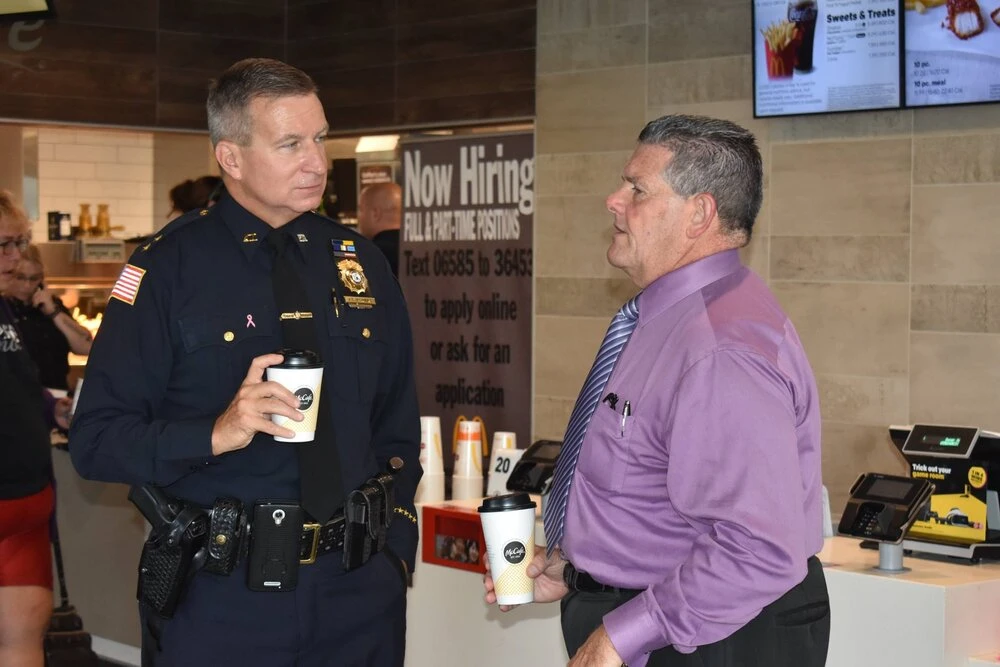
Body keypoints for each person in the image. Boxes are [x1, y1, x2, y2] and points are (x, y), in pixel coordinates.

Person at [70, 58, 421, 666]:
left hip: (358, 594)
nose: (316, 161)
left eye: (319, 138)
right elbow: (97, 441)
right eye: (290, 144)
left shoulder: (358, 262)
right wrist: (215, 433)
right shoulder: (166, 270)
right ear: (230, 158)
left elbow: (398, 419)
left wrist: (396, 550)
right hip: (223, 596)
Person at [484, 115, 829, 667]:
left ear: (700, 213)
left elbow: (759, 546)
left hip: (711, 637)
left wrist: (625, 633)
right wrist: (577, 564)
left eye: (637, 189)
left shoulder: (722, 348)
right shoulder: (666, 320)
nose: (612, 200)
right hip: (661, 621)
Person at [0, 191, 72, 667]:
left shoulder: (6, 311)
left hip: (25, 502)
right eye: (5, 245)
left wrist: (52, 409)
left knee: (24, 636)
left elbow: (18, 384)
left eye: (20, 243)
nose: (17, 257)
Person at [3, 244, 93, 391]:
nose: (27, 285)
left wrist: (53, 313)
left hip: (57, 392)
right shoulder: (5, 308)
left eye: (34, 278)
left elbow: (85, 345)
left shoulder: (51, 305)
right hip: (18, 397)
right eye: (20, 277)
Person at [356, 182, 401, 277]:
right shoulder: (419, 253)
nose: (358, 217)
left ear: (376, 214)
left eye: (360, 209)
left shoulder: (366, 255)